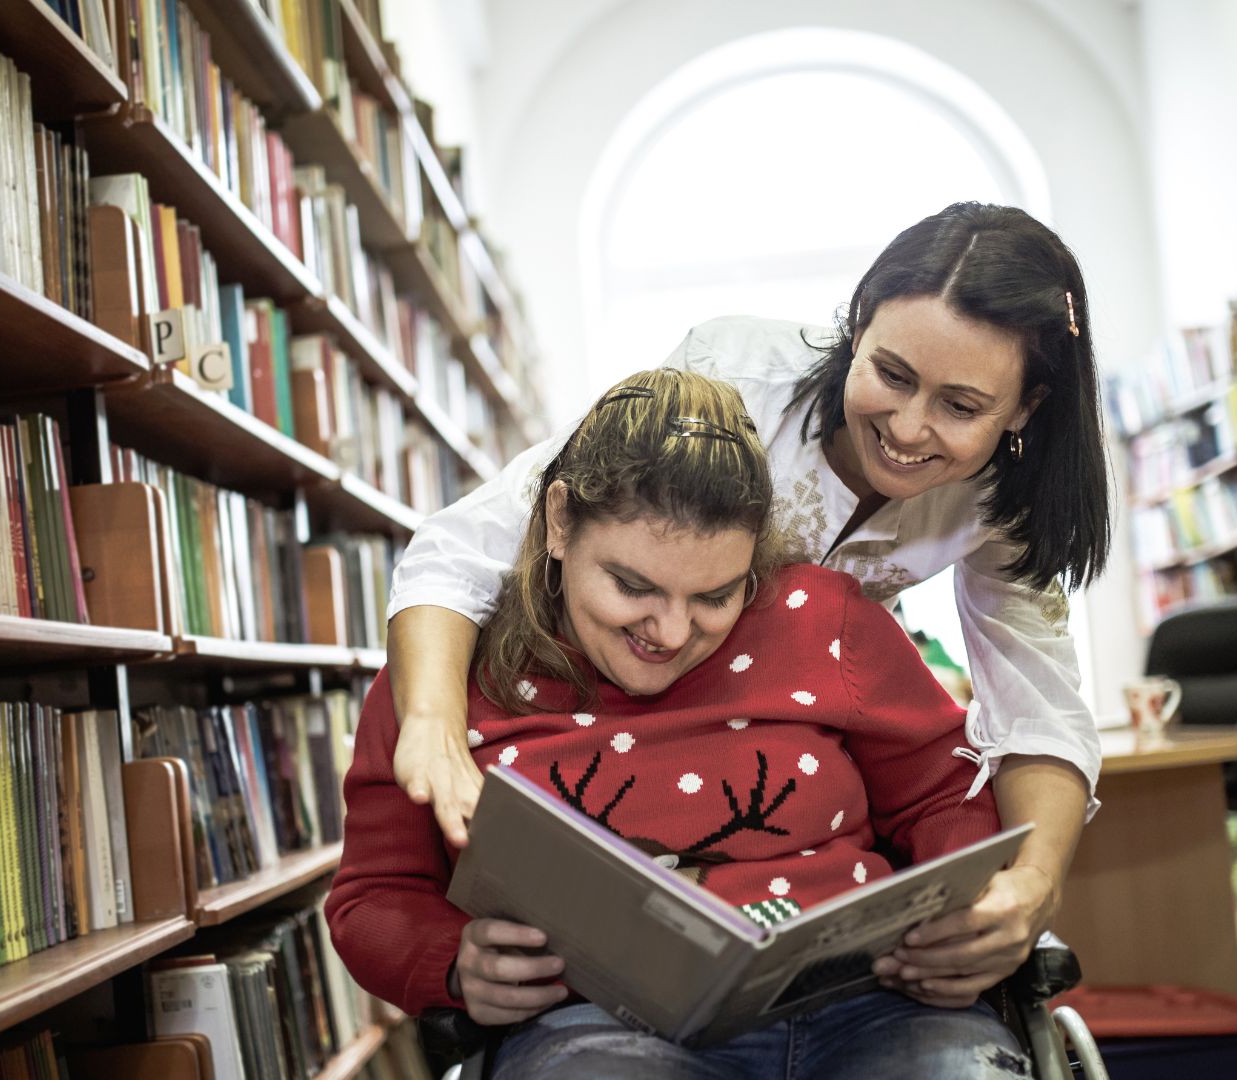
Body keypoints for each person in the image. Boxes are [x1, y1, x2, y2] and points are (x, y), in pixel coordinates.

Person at [387, 202, 1110, 996]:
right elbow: (470, 544)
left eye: (961, 407)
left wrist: (1035, 885)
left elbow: (1038, 701)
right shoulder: (731, 375)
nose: (907, 426)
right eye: (891, 374)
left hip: (815, 745)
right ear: (857, 325)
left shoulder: (1009, 494)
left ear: (1024, 410)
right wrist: (430, 725)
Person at [326, 369, 1032, 1079]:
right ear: (560, 521)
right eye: (632, 587)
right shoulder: (445, 677)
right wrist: (454, 962)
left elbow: (947, 793)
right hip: (596, 1028)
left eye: (715, 596)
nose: (668, 632)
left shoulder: (823, 619)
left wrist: (967, 916)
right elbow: (373, 895)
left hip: (870, 1004)